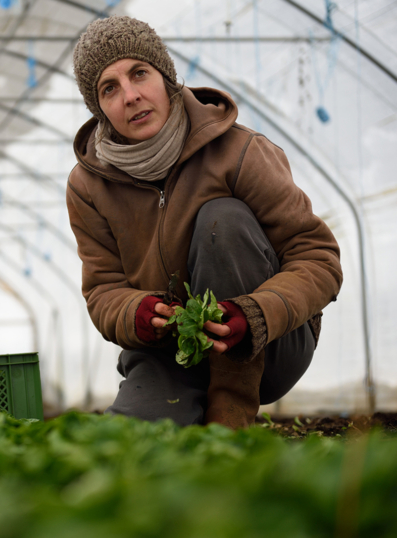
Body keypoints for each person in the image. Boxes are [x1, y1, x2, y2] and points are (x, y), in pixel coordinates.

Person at [66, 17, 342, 428]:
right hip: (169, 354)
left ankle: (230, 411)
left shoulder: (239, 150)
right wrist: (136, 312)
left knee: (222, 218)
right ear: (99, 107)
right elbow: (103, 290)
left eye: (139, 73)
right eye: (109, 88)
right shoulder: (88, 185)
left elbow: (318, 258)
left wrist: (253, 314)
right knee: (130, 444)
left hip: (267, 345)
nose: (130, 96)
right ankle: (182, 406)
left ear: (166, 77)